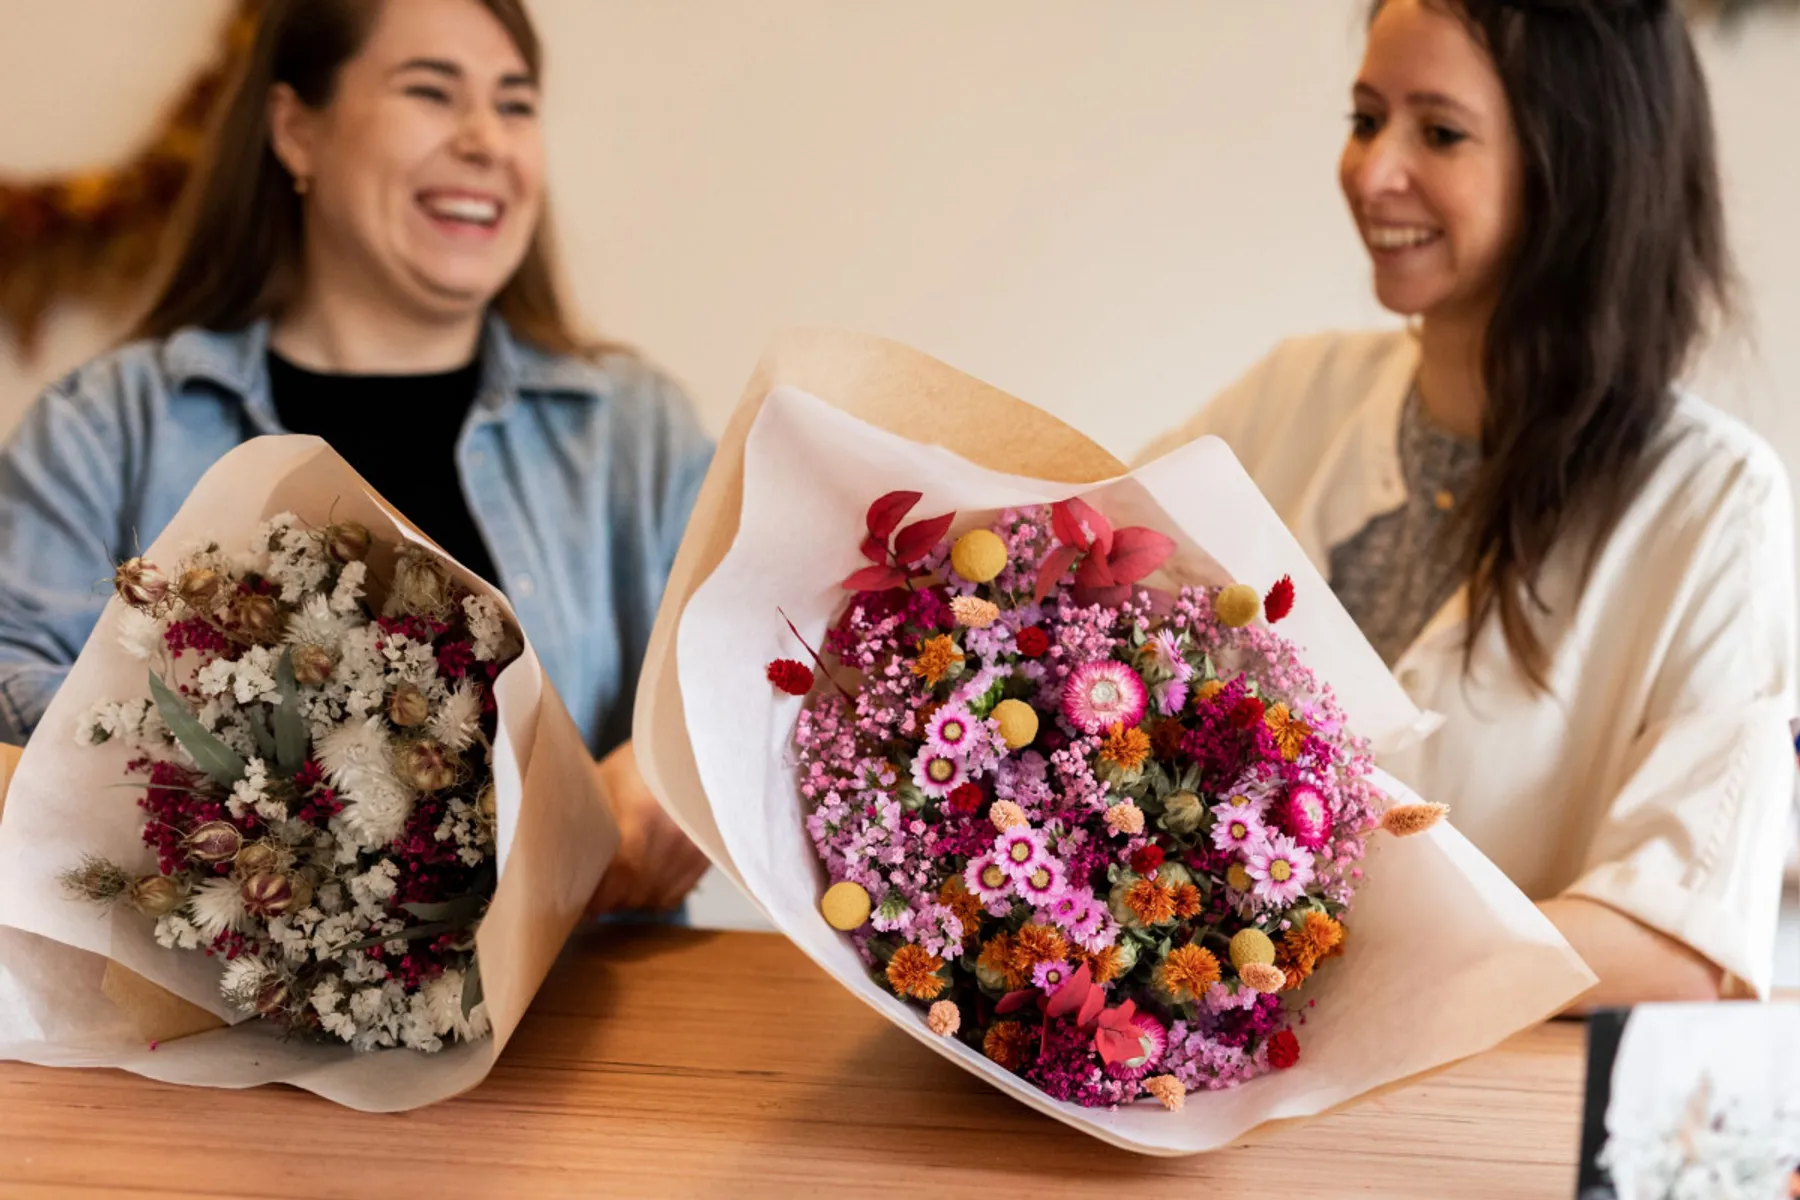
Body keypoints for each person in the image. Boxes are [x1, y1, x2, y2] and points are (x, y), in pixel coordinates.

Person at [1143, 0, 1796, 1005]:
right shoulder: (1290, 396)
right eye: (1367, 119)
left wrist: (1321, 953)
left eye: (1438, 132)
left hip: (1478, 1117)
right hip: (1207, 1062)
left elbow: (1677, 942)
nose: (1372, 172)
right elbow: (1074, 601)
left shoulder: (1714, 503)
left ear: (1575, 170)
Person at [0, 0, 711, 915]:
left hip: (599, 1024)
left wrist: (679, 770)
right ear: (297, 130)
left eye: (516, 103)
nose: (487, 140)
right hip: (185, 1026)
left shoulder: (632, 432)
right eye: (432, 91)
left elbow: (732, 674)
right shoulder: (107, 425)